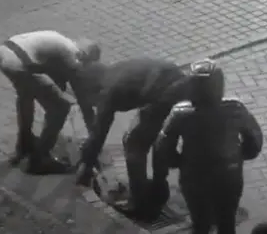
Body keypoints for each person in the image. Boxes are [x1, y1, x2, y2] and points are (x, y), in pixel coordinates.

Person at [152, 58, 263, 234]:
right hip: (229, 174)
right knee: (227, 220)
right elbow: (255, 141)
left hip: (194, 175)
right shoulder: (235, 108)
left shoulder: (181, 113)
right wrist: (239, 155)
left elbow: (163, 147)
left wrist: (178, 162)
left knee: (200, 221)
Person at [75, 57, 191, 219]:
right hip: (178, 81)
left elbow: (99, 131)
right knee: (150, 137)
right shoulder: (115, 70)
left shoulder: (107, 90)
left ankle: (141, 204)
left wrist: (87, 163)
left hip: (163, 93)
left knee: (133, 146)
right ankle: (158, 187)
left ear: (92, 85)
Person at [0, 30, 100, 174]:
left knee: (26, 95)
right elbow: (82, 99)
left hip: (2, 53)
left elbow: (53, 78)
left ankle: (24, 144)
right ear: (84, 55)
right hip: (18, 62)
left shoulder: (59, 40)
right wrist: (95, 137)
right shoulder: (73, 55)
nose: (84, 68)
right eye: (87, 64)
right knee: (61, 107)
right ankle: (39, 160)